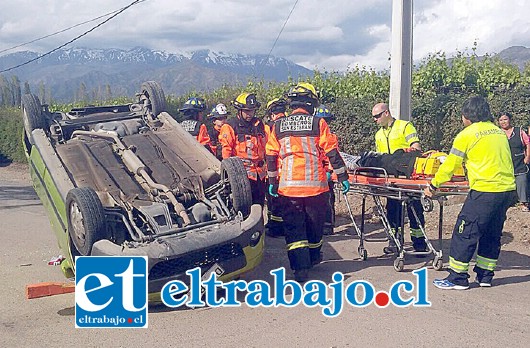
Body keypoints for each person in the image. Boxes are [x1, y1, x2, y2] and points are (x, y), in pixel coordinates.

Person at [425, 96, 516, 290]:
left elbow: (450, 165)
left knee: (464, 231)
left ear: (468, 115)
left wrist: (433, 186)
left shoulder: (468, 134)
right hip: (506, 190)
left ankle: (457, 277)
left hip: (485, 190)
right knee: (491, 233)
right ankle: (485, 276)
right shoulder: (498, 132)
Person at [266, 82, 350, 282]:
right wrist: (342, 176)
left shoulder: (277, 125)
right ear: (311, 102)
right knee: (314, 226)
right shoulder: (318, 123)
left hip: (288, 189)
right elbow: (331, 152)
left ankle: (299, 269)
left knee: (294, 229)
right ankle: (313, 258)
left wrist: (272, 181)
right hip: (315, 188)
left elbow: (271, 155)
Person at [371, 102, 427, 253]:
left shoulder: (404, 126)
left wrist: (404, 154)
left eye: (377, 116)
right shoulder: (379, 134)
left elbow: (416, 147)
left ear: (386, 113)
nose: (375, 120)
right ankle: (395, 242)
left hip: (408, 177)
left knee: (414, 209)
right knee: (392, 210)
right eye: (374, 117)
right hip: (391, 180)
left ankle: (420, 244)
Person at [220, 92, 267, 205]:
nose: (249, 114)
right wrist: (228, 177)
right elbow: (226, 153)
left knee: (259, 206)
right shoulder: (230, 126)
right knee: (244, 209)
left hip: (260, 175)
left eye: (251, 110)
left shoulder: (258, 124)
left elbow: (266, 146)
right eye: (246, 111)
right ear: (239, 110)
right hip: (241, 176)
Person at [263, 98, 288, 238]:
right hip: (287, 170)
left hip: (273, 170)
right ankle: (276, 224)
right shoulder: (289, 123)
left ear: (272, 113)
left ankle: (275, 227)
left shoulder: (269, 127)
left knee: (274, 201)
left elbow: (268, 149)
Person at [498, 112, 530, 211]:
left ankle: (523, 203)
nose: (503, 122)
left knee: (522, 179)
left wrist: (528, 156)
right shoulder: (497, 133)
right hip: (503, 162)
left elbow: (527, 143)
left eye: (505, 119)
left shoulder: (519, 131)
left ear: (510, 120)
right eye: (501, 120)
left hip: (520, 161)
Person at [314, 104, 337, 235]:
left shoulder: (331, 137)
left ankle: (328, 225)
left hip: (327, 173)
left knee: (328, 201)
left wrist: (330, 171)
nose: (325, 123)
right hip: (315, 174)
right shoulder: (310, 136)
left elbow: (334, 155)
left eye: (327, 121)